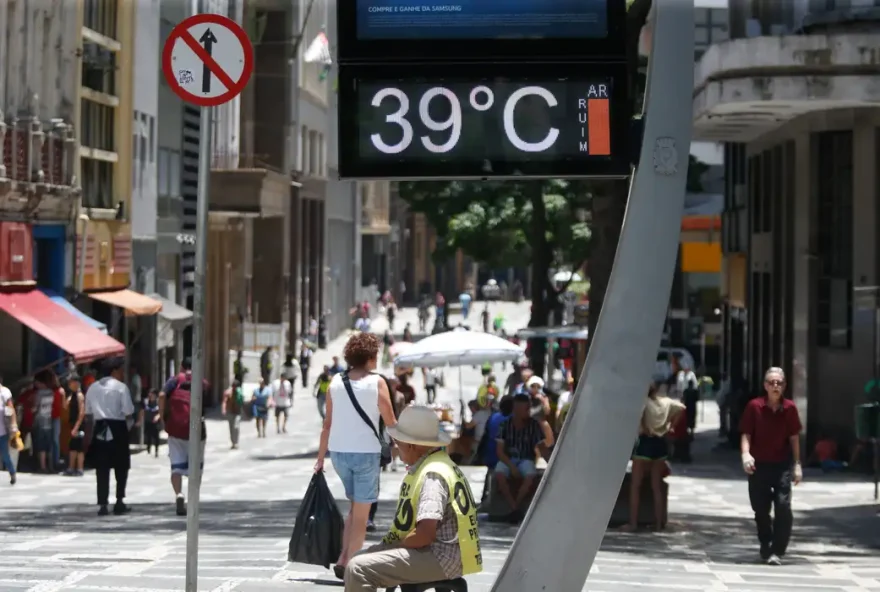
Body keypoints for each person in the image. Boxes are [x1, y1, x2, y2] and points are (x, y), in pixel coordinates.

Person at [343, 405, 483, 591]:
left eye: (398, 443)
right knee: (359, 557)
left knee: (358, 568)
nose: (396, 448)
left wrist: (394, 548)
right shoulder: (439, 464)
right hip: (444, 552)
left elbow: (425, 534)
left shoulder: (432, 475)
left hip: (441, 556)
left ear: (411, 445)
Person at [314, 332, 397, 580]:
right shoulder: (378, 383)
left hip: (339, 454)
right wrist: (406, 449)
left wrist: (320, 458)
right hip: (365, 454)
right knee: (361, 514)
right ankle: (353, 565)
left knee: (354, 507)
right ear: (370, 358)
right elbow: (391, 422)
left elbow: (327, 424)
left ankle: (342, 557)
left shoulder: (336, 382)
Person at [739, 367, 803, 566]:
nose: (776, 386)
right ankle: (765, 541)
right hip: (759, 465)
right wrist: (745, 454)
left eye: (779, 383)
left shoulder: (790, 408)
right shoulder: (754, 407)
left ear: (784, 386)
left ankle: (778, 550)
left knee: (783, 506)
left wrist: (797, 464)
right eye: (772, 382)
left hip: (782, 465)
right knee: (760, 509)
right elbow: (746, 434)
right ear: (765, 386)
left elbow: (794, 438)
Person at [621, 382, 684, 532]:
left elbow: (640, 416)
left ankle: (633, 523)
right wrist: (671, 425)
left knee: (636, 485)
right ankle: (658, 524)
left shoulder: (643, 402)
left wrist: (646, 427)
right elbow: (682, 408)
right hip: (660, 444)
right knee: (656, 486)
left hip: (645, 443)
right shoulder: (665, 403)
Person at [85, 357, 137, 516]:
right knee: (121, 465)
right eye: (121, 370)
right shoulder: (121, 388)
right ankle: (119, 500)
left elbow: (88, 412)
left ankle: (102, 503)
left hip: (100, 426)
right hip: (117, 426)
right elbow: (128, 410)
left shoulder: (92, 388)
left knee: (102, 467)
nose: (123, 373)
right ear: (114, 370)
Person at [158, 360, 208, 516]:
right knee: (196, 467)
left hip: (176, 429)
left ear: (181, 367)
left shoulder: (174, 380)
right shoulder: (201, 381)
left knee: (176, 466)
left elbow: (161, 395)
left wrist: (163, 416)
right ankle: (193, 498)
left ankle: (179, 494)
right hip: (196, 429)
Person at [494, 393, 554, 522]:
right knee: (499, 474)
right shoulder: (505, 425)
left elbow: (541, 448)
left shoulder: (533, 425)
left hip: (526, 458)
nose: (528, 412)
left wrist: (553, 464)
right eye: (525, 409)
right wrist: (511, 466)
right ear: (516, 410)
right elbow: (500, 451)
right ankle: (514, 507)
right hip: (508, 459)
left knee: (530, 475)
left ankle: (515, 505)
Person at [64, 373, 87, 476]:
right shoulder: (71, 395)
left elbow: (82, 413)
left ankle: (80, 468)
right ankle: (71, 467)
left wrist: (76, 427)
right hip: (72, 424)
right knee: (73, 447)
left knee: (79, 448)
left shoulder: (79, 395)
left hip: (79, 425)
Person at [0, 374, 19, 485]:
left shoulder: (4, 393)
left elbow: (10, 409)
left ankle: (12, 473)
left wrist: (13, 425)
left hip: (3, 430)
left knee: (5, 455)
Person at [221, 380, 244, 449]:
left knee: (236, 427)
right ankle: (233, 442)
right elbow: (224, 401)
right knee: (231, 428)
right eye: (234, 386)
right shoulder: (228, 392)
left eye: (236, 387)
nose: (235, 388)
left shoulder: (240, 393)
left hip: (238, 412)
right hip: (230, 412)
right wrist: (224, 409)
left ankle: (236, 442)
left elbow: (242, 402)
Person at [143, 388, 161, 457]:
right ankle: (148, 450)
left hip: (155, 423)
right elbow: (142, 410)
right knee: (148, 436)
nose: (150, 395)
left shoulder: (158, 402)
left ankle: (156, 451)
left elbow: (161, 412)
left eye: (152, 394)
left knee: (156, 437)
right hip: (148, 421)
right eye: (150, 393)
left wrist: (158, 416)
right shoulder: (146, 402)